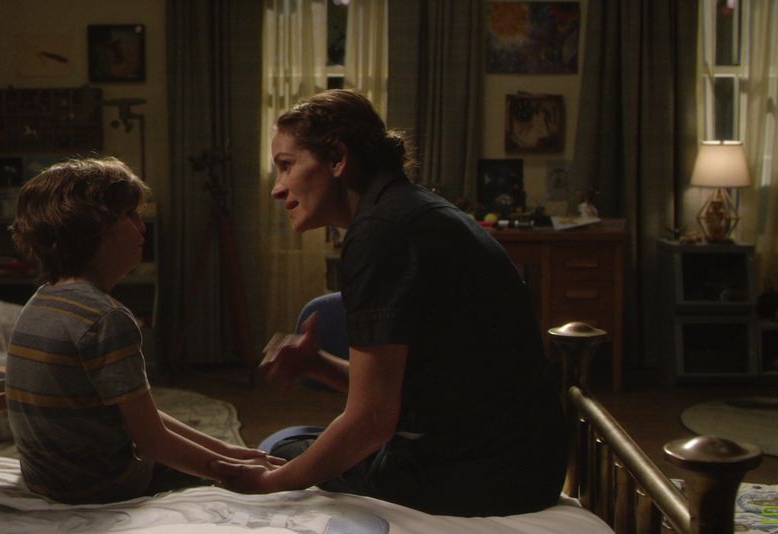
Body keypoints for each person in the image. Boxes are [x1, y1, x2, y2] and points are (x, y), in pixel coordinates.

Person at [212, 90, 567, 517]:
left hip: (484, 472)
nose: (277, 188)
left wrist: (271, 485)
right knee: (296, 445)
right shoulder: (406, 209)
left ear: (337, 159)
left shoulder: (381, 233)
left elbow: (372, 420)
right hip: (525, 459)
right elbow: (412, 390)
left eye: (286, 165)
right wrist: (317, 364)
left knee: (283, 453)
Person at [6, 157, 279, 504]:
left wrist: (227, 450)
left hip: (47, 481)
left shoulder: (41, 300)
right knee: (254, 473)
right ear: (97, 230)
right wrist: (229, 470)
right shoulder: (106, 318)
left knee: (221, 457)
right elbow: (152, 442)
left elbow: (138, 415)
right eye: (130, 216)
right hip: (101, 486)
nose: (142, 227)